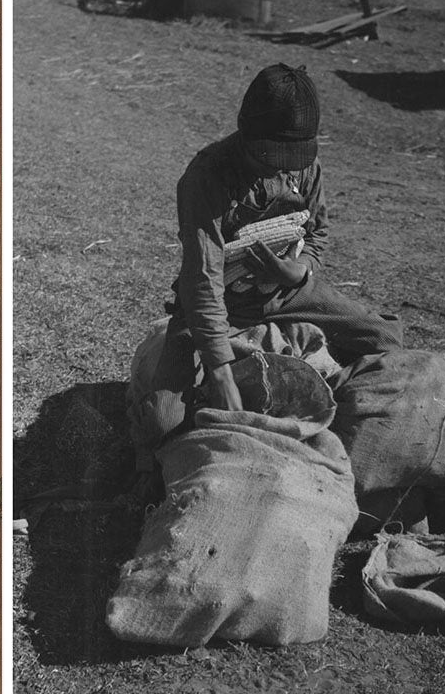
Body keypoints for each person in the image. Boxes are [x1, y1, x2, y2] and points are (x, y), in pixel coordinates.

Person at [140, 62, 403, 455]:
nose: (280, 166)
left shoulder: (305, 167)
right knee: (163, 422)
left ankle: (320, 383)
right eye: (269, 156)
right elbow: (202, 279)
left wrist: (297, 272)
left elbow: (317, 233)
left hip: (284, 292)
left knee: (385, 336)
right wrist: (222, 372)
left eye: (290, 157)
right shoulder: (206, 175)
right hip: (219, 304)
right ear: (247, 133)